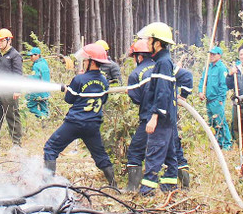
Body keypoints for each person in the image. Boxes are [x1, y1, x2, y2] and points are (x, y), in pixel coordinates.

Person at [43, 43, 114, 185]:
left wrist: (69, 89)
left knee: (50, 148)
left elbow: (69, 99)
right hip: (93, 125)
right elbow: (103, 99)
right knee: (100, 156)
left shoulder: (79, 79)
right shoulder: (104, 81)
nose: (84, 62)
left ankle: (48, 185)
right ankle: (114, 186)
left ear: (92, 62)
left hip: (74, 123)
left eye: (86, 60)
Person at [137, 22, 179, 195]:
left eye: (150, 40)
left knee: (154, 152)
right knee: (170, 153)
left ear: (158, 42)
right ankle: (169, 186)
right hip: (167, 116)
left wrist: (154, 116)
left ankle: (147, 191)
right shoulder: (163, 61)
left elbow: (162, 92)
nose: (147, 44)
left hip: (161, 118)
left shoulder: (163, 63)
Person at [124, 39, 156, 192]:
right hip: (168, 117)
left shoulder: (135, 74)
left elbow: (136, 99)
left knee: (136, 151)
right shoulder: (162, 66)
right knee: (173, 151)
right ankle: (183, 188)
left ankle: (132, 188)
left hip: (148, 118)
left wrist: (130, 92)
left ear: (139, 57)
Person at [0, 28, 24, 145]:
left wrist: (17, 90)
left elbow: (18, 74)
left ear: (9, 41)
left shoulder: (15, 56)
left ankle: (16, 142)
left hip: (9, 92)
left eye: (2, 41)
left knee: (12, 116)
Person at [199, 47, 232, 149]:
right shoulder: (208, 67)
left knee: (221, 122)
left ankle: (227, 144)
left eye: (214, 54)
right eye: (211, 54)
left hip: (217, 100)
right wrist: (201, 91)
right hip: (208, 100)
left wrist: (221, 100)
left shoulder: (221, 68)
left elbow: (224, 85)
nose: (211, 56)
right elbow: (202, 80)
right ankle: (218, 143)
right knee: (213, 123)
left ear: (219, 55)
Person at [25, 47, 51, 120]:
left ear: (37, 55)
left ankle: (42, 117)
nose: (31, 58)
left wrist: (27, 77)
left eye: (32, 56)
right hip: (46, 92)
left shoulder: (36, 66)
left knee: (30, 106)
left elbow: (35, 79)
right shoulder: (44, 62)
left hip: (38, 92)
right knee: (44, 109)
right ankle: (45, 123)